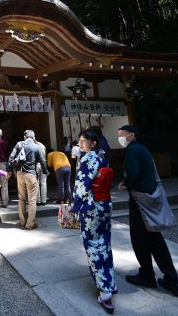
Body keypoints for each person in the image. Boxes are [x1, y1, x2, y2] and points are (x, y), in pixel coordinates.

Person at [116, 125, 178, 298]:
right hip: (151, 196)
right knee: (155, 238)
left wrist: (124, 183)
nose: (120, 138)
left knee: (139, 238)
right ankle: (171, 279)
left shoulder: (132, 150)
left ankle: (147, 274)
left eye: (122, 135)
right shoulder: (143, 149)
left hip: (140, 199)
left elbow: (134, 173)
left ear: (132, 135)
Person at [73, 129, 117, 314]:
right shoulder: (103, 158)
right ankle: (110, 282)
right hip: (104, 205)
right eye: (80, 141)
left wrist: (75, 207)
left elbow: (81, 187)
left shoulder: (89, 159)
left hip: (91, 208)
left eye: (83, 141)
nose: (80, 144)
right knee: (104, 243)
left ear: (93, 143)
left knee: (93, 245)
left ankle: (105, 291)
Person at [8, 130, 47, 230]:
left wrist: (9, 169)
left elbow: (11, 158)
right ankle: (30, 224)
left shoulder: (19, 144)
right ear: (33, 137)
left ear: (25, 137)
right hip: (31, 174)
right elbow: (42, 161)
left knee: (21, 198)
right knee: (32, 200)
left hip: (20, 174)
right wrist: (45, 171)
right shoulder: (37, 147)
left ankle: (22, 221)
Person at [35, 139, 48, 206]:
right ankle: (44, 200)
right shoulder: (42, 145)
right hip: (43, 164)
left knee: (36, 183)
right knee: (43, 183)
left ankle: (38, 201)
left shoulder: (33, 146)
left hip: (36, 165)